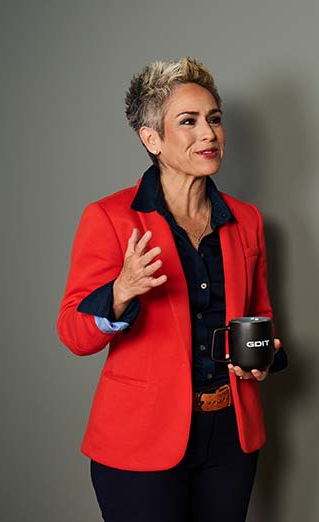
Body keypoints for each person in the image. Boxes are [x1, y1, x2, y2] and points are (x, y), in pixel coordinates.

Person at [57, 57, 287, 522]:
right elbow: (73, 332)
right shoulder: (110, 218)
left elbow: (258, 313)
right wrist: (121, 290)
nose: (209, 133)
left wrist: (264, 357)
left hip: (230, 434)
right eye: (189, 121)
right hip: (139, 440)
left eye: (214, 119)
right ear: (152, 139)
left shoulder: (247, 220)